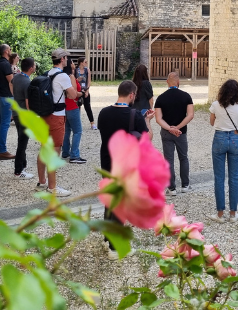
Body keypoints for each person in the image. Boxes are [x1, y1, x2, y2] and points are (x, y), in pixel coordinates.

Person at [97, 80, 155, 258]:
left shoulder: (103, 113)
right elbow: (147, 139)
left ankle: (107, 236)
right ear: (132, 95)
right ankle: (116, 247)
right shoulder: (134, 115)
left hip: (107, 160)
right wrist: (147, 121)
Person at [36, 49, 77, 197]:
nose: (67, 60)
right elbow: (72, 95)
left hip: (45, 115)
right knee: (55, 151)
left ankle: (42, 182)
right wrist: (79, 92)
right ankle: (52, 187)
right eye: (66, 57)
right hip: (57, 116)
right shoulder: (63, 76)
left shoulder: (47, 73)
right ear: (63, 59)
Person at [208, 79, 238, 223]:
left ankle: (219, 214)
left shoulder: (216, 105)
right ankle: (233, 213)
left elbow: (212, 122)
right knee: (234, 177)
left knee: (219, 177)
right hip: (235, 138)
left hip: (220, 137)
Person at [154, 72, 194, 196]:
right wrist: (178, 127)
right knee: (183, 157)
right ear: (178, 82)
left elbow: (158, 119)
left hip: (166, 132)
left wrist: (170, 128)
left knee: (169, 160)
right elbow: (190, 115)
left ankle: (171, 188)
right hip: (181, 132)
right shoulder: (186, 96)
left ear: (167, 82)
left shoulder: (160, 98)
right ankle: (185, 185)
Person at [10, 57, 36, 180]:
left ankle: (23, 166)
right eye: (34, 65)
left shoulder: (16, 77)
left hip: (16, 113)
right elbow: (28, 103)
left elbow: (11, 85)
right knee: (22, 143)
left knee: (21, 140)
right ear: (31, 68)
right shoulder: (27, 83)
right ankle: (18, 170)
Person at [0, 43, 15, 160]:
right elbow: (11, 81)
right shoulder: (5, 64)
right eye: (9, 49)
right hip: (6, 96)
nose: (11, 51)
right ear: (6, 51)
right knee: (5, 124)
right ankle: (2, 150)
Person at [62, 58, 86, 164]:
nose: (73, 64)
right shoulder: (71, 76)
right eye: (72, 62)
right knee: (78, 131)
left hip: (64, 106)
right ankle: (75, 155)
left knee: (67, 130)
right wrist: (82, 93)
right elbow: (74, 93)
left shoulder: (62, 76)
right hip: (72, 105)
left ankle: (65, 152)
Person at [75, 57, 96, 130]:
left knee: (87, 107)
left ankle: (92, 123)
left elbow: (89, 81)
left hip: (85, 91)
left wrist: (87, 91)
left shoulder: (87, 70)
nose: (86, 63)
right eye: (85, 62)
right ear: (81, 63)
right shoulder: (75, 70)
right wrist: (77, 80)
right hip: (77, 91)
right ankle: (77, 124)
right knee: (77, 108)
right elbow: (73, 81)